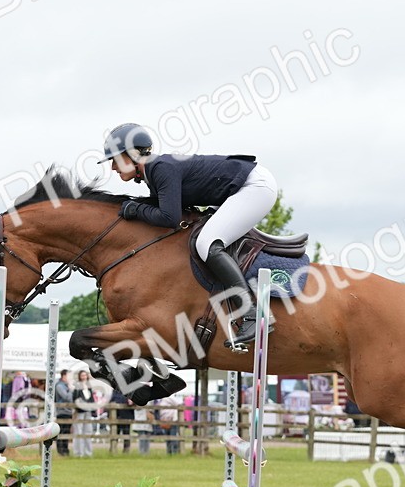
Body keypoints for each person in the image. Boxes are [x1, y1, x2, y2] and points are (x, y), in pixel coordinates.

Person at [100, 122, 278, 347]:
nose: (113, 168)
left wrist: (135, 209)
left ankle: (252, 313)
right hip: (238, 189)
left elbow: (169, 218)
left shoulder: (160, 168)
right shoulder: (154, 172)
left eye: (115, 160)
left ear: (132, 155)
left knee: (207, 243)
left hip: (254, 187)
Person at [72, 370, 96, 458]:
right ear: (79, 376)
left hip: (88, 411)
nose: (84, 377)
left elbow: (91, 398)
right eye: (82, 375)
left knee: (88, 431)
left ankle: (88, 453)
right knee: (79, 431)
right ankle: (79, 453)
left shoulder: (89, 386)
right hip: (80, 411)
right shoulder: (77, 386)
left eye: (85, 375)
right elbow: (75, 398)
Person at [54, 369, 73, 456]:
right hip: (62, 412)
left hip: (68, 412)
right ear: (64, 376)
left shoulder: (66, 385)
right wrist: (71, 389)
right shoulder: (59, 386)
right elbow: (67, 397)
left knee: (67, 432)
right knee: (61, 432)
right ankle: (61, 451)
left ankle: (66, 450)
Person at [110, 388, 134, 453]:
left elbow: (134, 401)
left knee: (126, 434)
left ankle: (126, 451)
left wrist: (131, 402)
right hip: (116, 416)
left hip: (126, 415)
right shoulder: (115, 390)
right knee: (115, 433)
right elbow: (112, 400)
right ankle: (113, 449)